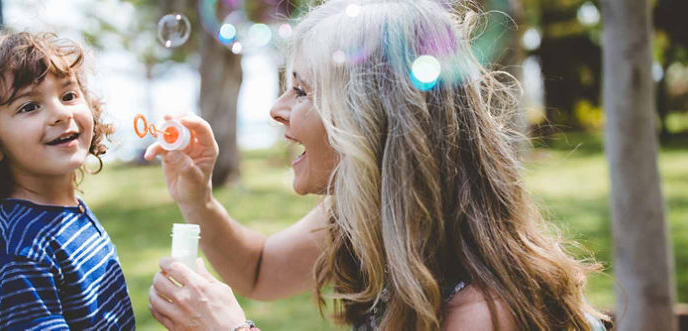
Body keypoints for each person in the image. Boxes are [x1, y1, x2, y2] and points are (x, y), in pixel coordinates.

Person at [145, 0, 607, 330]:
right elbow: (261, 271)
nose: (276, 108)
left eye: (302, 91)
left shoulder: (483, 312)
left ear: (369, 120)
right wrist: (198, 201)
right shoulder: (360, 212)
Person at [0, 32, 134, 329]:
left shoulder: (66, 212)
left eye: (68, 95)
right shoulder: (22, 254)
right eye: (29, 106)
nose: (60, 113)